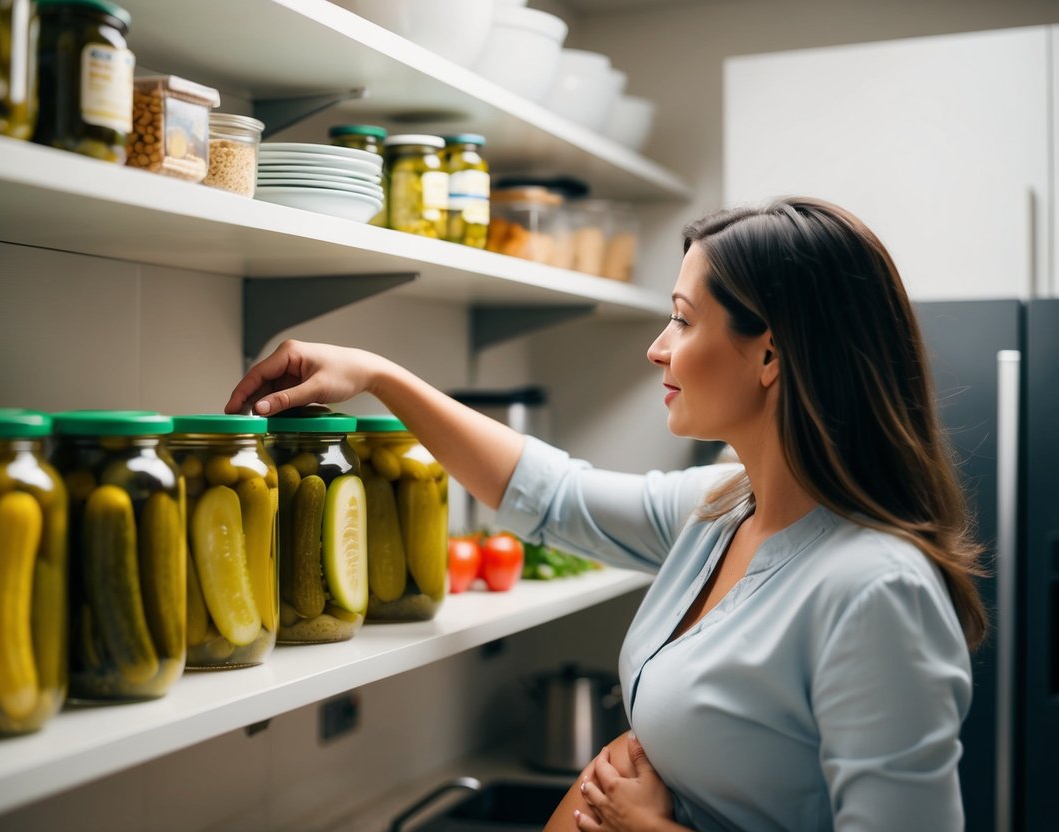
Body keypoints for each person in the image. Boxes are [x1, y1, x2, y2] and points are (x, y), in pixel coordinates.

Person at [225, 197, 986, 832]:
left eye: (684, 321)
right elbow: (552, 494)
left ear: (771, 355)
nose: (659, 349)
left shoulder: (876, 589)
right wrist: (379, 376)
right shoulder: (720, 512)